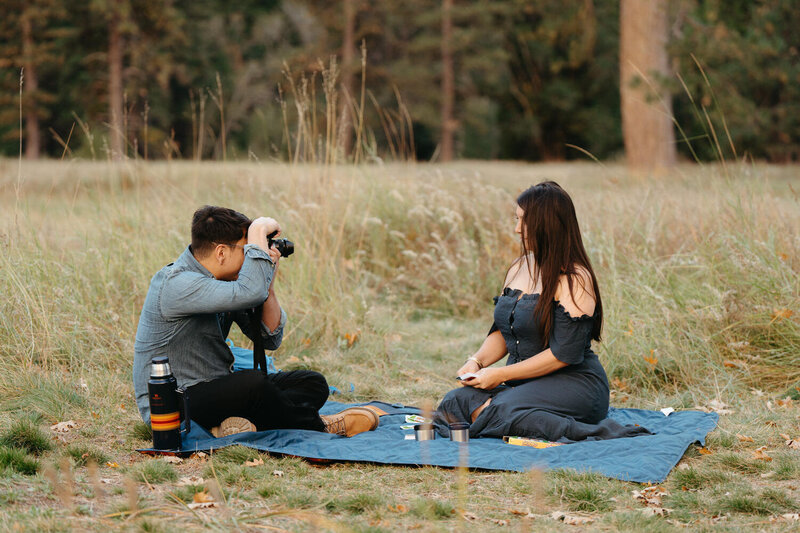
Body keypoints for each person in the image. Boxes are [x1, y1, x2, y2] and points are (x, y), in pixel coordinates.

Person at [133, 206, 379, 438]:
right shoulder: (177, 284)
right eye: (247, 249)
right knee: (253, 384)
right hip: (172, 405)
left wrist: (268, 285)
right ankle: (321, 426)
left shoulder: (230, 283)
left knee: (312, 383)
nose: (252, 255)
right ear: (221, 252)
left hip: (215, 390)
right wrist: (259, 229)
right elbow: (249, 292)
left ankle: (229, 427)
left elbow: (270, 338)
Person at [434, 182, 650, 442]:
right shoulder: (519, 268)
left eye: (525, 221)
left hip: (574, 384)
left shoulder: (575, 278)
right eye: (517, 219)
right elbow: (504, 331)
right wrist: (477, 362)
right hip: (523, 383)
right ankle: (504, 415)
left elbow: (564, 354)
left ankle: (595, 431)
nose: (517, 229)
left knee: (501, 410)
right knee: (454, 402)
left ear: (548, 224)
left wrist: (500, 374)